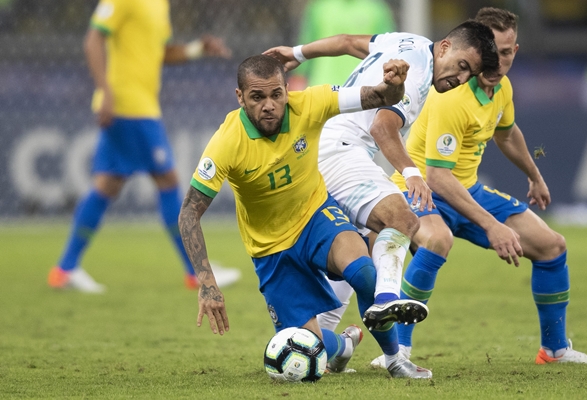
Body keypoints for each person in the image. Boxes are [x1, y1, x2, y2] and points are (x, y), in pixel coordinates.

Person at [366, 7, 587, 366]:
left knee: (552, 246)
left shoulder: (502, 88)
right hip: (421, 190)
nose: (499, 61)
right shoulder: (452, 96)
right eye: (491, 52)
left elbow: (507, 133)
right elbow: (437, 177)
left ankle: (554, 350)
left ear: (515, 51)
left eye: (506, 52)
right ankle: (396, 352)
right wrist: (492, 225)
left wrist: (534, 175)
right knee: (436, 240)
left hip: (467, 190)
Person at [178, 54, 432, 379]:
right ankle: (343, 346)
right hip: (272, 251)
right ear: (240, 97)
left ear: (287, 89)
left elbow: (380, 96)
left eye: (276, 95)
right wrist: (207, 283)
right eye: (257, 97)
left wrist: (394, 86)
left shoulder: (311, 103)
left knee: (364, 273)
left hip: (316, 217)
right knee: (307, 344)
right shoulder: (227, 142)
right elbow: (189, 214)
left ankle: (396, 359)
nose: (269, 105)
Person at [263, 21, 500, 337]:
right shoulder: (414, 78)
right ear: (445, 47)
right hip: (342, 151)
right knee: (400, 218)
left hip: (318, 144)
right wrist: (412, 173)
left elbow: (348, 40)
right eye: (461, 66)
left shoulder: (408, 42)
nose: (461, 79)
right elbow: (381, 127)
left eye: (470, 74)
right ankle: (388, 297)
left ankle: (326, 344)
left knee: (359, 249)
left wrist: (297, 53)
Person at [47, 0, 240, 293]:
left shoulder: (159, 4)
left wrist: (196, 49)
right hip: (129, 107)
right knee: (168, 180)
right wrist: (104, 89)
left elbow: (160, 52)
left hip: (140, 106)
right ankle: (196, 272)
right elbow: (93, 39)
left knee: (107, 184)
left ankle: (65, 269)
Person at [289, 0, 396, 90]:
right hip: (323, 88)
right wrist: (299, 77)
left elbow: (388, 51)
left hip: (363, 90)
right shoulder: (318, 8)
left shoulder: (377, 10)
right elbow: (305, 45)